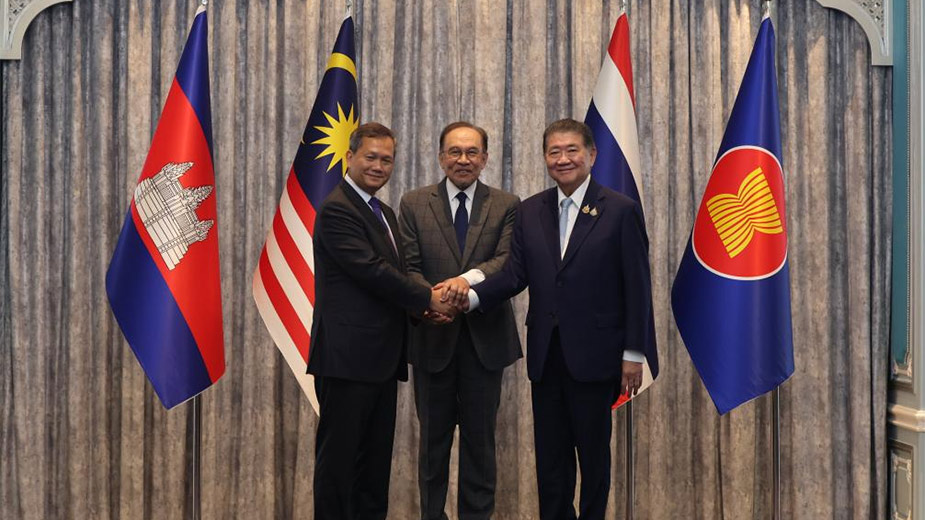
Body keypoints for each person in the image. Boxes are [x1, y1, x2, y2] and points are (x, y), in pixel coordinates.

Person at [461, 119, 658, 520]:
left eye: (572, 150)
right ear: (545, 158)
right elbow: (514, 275)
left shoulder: (620, 210)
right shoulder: (530, 210)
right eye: (554, 151)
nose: (563, 159)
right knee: (551, 463)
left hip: (596, 357)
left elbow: (637, 286)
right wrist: (469, 298)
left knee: (594, 459)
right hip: (546, 356)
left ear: (591, 155)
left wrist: (634, 353)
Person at [307, 122, 455, 520]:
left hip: (382, 359)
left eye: (386, 160)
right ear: (349, 157)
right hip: (347, 359)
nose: (378, 166)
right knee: (339, 464)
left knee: (373, 466)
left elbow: (397, 276)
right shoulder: (337, 208)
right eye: (370, 157)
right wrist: (427, 298)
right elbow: (371, 270)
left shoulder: (384, 212)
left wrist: (420, 309)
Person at [398, 122, 521, 520]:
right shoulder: (414, 203)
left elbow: (506, 261)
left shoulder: (507, 204)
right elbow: (409, 266)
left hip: (485, 342)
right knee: (431, 448)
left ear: (485, 158)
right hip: (432, 338)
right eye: (454, 151)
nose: (463, 160)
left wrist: (463, 285)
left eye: (471, 152)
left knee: (480, 447)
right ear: (440, 157)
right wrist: (430, 301)